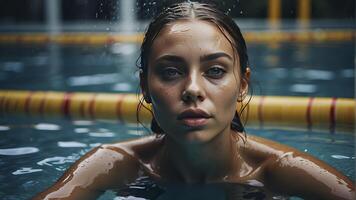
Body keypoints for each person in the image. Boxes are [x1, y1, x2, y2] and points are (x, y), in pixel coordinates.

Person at [34, 2, 355, 200]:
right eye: (171, 72)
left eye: (215, 71)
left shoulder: (279, 170)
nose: (192, 89)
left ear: (242, 84)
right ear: (145, 86)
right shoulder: (113, 164)